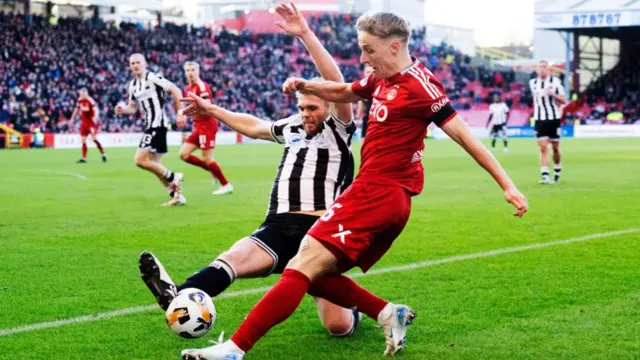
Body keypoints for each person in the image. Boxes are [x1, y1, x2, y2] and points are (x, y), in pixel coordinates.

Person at [181, 10, 529, 360]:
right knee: (313, 274)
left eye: (368, 49)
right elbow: (345, 90)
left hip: (377, 193)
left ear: (394, 46)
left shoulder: (421, 87)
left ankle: (235, 349)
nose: (363, 58)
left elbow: (467, 138)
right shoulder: (381, 79)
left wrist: (507, 185)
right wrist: (307, 85)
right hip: (380, 195)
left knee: (299, 266)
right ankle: (387, 313)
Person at [139, 2, 360, 338]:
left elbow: (337, 82)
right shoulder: (292, 127)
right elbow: (254, 126)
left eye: (312, 106)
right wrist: (210, 110)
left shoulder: (339, 127)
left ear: (329, 104)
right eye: (301, 107)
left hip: (317, 232)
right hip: (277, 225)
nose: (306, 113)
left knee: (338, 326)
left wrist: (305, 34)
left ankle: (356, 309)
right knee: (233, 259)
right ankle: (178, 294)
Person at [115, 54, 186, 206]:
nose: (135, 65)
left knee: (140, 160)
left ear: (145, 63)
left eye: (138, 62)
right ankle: (176, 195)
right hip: (149, 125)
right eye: (132, 63)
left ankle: (174, 177)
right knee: (155, 164)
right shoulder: (132, 85)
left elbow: (175, 90)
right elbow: (133, 108)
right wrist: (122, 110)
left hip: (158, 125)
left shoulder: (153, 77)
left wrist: (181, 112)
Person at [177, 62, 233, 195]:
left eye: (193, 70)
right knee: (183, 154)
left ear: (198, 71)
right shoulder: (189, 88)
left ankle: (226, 185)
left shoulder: (202, 87)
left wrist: (185, 113)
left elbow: (207, 106)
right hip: (198, 126)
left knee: (208, 158)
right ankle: (212, 170)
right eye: (188, 70)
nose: (190, 72)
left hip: (207, 125)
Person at [529, 60, 567, 184]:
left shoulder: (555, 82)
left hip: (553, 119)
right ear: (537, 69)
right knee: (543, 148)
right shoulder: (533, 83)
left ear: (549, 69)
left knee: (555, 148)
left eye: (544, 67)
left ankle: (557, 170)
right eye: (540, 67)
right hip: (540, 119)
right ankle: (545, 175)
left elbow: (563, 100)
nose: (542, 69)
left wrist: (553, 94)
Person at [70, 88, 107, 163]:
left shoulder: (90, 100)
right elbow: (76, 109)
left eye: (83, 93)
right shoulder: (80, 100)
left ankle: (103, 154)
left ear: (86, 93)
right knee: (83, 140)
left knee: (94, 139)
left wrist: (95, 118)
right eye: (81, 94)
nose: (82, 95)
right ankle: (84, 158)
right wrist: (72, 118)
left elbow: (96, 109)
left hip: (91, 123)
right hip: (84, 123)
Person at [356, 64, 373, 139]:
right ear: (364, 73)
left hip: (377, 119)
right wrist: (357, 118)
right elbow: (361, 104)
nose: (368, 74)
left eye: (370, 72)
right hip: (367, 119)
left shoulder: (379, 85)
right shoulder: (362, 87)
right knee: (363, 142)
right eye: (367, 72)